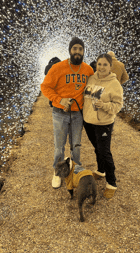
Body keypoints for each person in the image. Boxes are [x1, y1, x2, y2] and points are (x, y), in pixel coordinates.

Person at [41, 37, 94, 188]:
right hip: (60, 112)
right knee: (59, 145)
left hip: (78, 114)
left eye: (80, 49)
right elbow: (45, 87)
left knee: (76, 145)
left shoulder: (88, 70)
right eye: (75, 49)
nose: (77, 52)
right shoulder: (58, 67)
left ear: (83, 52)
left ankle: (75, 169)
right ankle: (57, 172)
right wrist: (59, 99)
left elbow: (95, 85)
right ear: (70, 50)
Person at [83, 53, 123, 199]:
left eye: (105, 64)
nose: (101, 67)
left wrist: (105, 106)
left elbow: (118, 105)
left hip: (104, 124)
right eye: (99, 64)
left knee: (105, 151)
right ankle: (101, 170)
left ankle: (112, 182)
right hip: (88, 122)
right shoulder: (91, 78)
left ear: (110, 66)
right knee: (97, 147)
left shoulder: (114, 83)